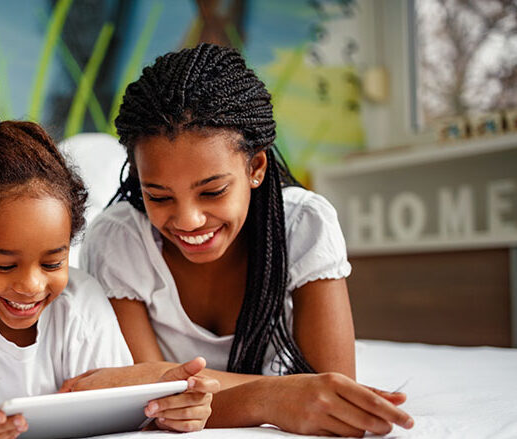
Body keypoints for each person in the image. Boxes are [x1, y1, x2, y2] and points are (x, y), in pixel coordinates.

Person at [75, 43, 414, 437]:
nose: (188, 220)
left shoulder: (304, 224)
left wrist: (172, 382)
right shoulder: (119, 240)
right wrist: (270, 397)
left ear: (256, 167)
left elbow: (332, 399)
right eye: (159, 196)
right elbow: (149, 403)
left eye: (212, 191)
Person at [0, 58, 219, 439]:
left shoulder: (82, 306)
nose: (31, 286)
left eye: (53, 262)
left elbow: (121, 416)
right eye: (4, 265)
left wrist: (167, 408)